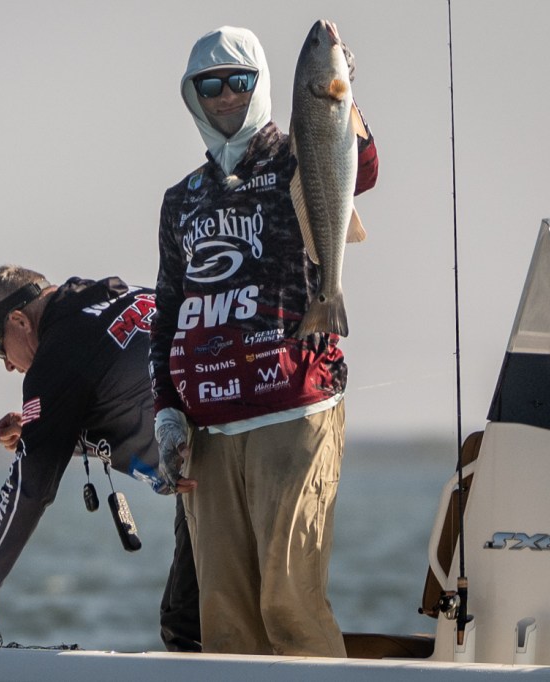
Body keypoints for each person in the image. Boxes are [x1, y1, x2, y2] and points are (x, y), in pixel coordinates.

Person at [148, 26, 379, 656]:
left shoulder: (299, 156)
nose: (225, 95)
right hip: (209, 431)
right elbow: (167, 312)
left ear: (263, 84)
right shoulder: (180, 200)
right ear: (193, 97)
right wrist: (166, 413)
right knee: (224, 621)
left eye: (239, 81)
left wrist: (344, 99)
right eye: (210, 86)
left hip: (293, 410)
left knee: (289, 605)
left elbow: (361, 168)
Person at [0, 265, 201, 652]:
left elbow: (30, 487)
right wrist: (40, 426)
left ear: (19, 320)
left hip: (214, 470)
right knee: (215, 615)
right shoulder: (113, 296)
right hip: (253, 430)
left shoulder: (56, 358)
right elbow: (118, 385)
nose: (7, 365)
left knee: (186, 626)